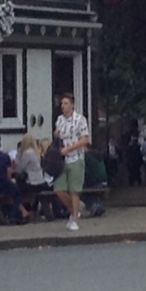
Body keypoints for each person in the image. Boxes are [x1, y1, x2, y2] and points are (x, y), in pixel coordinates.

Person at [53, 93, 91, 231]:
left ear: (72, 105)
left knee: (74, 190)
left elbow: (85, 139)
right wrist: (56, 135)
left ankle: (74, 218)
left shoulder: (80, 120)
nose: (63, 106)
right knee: (59, 188)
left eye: (66, 103)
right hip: (62, 160)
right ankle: (74, 210)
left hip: (76, 157)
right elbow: (58, 136)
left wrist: (69, 148)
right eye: (62, 103)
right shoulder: (59, 120)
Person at [0, 134, 30, 224]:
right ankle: (15, 216)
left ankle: (15, 214)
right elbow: (8, 172)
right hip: (2, 183)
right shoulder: (4, 156)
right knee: (17, 193)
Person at [83, 149, 108, 217]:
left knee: (78, 190)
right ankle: (98, 205)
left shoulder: (86, 156)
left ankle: (93, 205)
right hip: (103, 182)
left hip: (95, 182)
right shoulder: (97, 155)